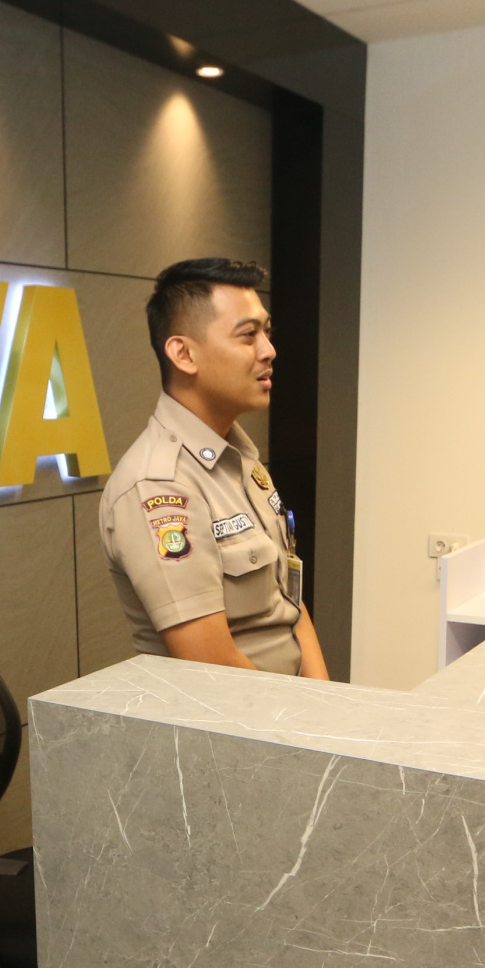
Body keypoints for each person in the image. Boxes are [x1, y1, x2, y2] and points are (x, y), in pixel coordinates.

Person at [99, 257, 330, 679]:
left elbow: (290, 605)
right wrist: (304, 716)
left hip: (295, 706)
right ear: (184, 354)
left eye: (267, 332)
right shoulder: (160, 485)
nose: (269, 350)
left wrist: (325, 700)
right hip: (234, 715)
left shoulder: (242, 459)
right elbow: (214, 667)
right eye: (248, 335)